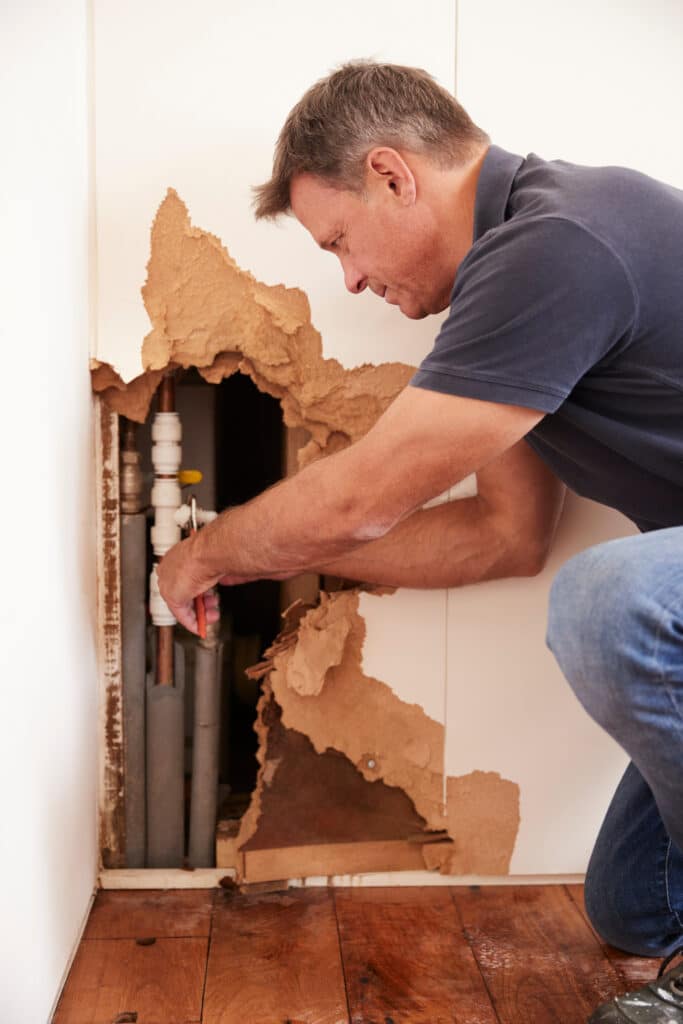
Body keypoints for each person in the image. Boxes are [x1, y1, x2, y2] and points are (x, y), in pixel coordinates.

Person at [158, 61, 683, 1021]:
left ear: (394, 175)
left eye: (341, 241)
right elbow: (502, 535)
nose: (351, 280)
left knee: (613, 599)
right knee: (634, 908)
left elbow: (361, 499)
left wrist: (204, 553)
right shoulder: (512, 294)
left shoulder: (554, 245)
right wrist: (293, 558)